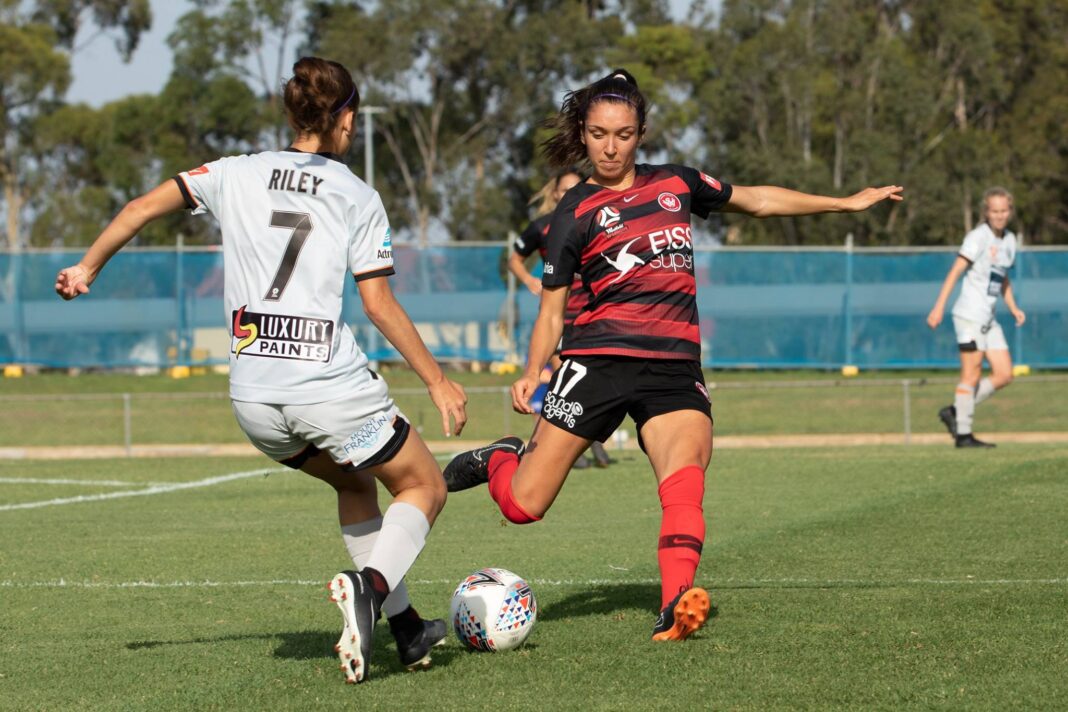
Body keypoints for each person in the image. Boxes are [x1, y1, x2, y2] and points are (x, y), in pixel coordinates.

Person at [443, 68, 903, 642]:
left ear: (641, 133)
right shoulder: (573, 212)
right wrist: (534, 371)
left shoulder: (678, 185)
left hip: (673, 366)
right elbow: (552, 311)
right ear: (583, 135)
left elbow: (756, 200)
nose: (611, 147)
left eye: (624, 133)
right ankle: (501, 459)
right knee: (522, 507)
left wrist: (844, 204)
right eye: (599, 133)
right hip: (596, 362)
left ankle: (675, 605)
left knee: (685, 481)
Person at [54, 56, 468, 684]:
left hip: (255, 401)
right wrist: (438, 380)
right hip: (327, 389)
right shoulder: (356, 194)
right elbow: (378, 304)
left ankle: (409, 632)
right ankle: (370, 588)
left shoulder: (232, 173)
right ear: (345, 115)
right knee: (424, 487)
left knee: (355, 484)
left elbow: (140, 207)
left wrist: (86, 268)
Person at [508, 171, 614, 469]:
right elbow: (514, 258)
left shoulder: (599, 221)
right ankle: (569, 445)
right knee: (562, 380)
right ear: (555, 194)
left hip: (594, 313)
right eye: (564, 189)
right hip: (560, 316)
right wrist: (528, 279)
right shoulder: (542, 228)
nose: (569, 193)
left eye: (575, 188)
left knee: (594, 379)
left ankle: (587, 438)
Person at [926, 187, 1025, 448]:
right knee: (971, 375)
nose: (1000, 216)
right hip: (969, 315)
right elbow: (955, 272)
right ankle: (964, 435)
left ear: (1010, 211)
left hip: (989, 318)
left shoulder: (1010, 240)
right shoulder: (977, 237)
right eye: (994, 211)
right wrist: (938, 307)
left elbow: (1002, 278)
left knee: (1004, 374)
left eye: (1004, 210)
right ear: (986, 212)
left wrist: (1013, 307)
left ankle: (957, 411)